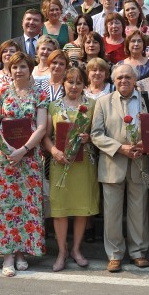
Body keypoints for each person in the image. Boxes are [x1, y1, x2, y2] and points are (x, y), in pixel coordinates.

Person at [0, 52, 48, 277]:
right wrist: (7, 150)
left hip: (29, 158)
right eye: (14, 67)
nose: (18, 70)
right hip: (4, 159)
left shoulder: (40, 94)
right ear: (9, 70)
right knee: (6, 206)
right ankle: (7, 255)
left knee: (26, 205)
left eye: (23, 66)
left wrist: (23, 151)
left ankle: (22, 252)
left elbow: (41, 128)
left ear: (30, 68)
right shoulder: (1, 93)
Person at [91, 64, 149, 273]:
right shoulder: (103, 102)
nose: (123, 81)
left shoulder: (148, 101)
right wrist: (119, 148)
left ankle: (138, 252)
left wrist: (146, 144)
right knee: (112, 213)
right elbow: (96, 134)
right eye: (119, 78)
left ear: (135, 80)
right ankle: (114, 255)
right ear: (113, 81)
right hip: (112, 164)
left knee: (139, 210)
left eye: (128, 77)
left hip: (139, 162)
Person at [43, 67, 98, 272]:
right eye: (70, 82)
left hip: (84, 164)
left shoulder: (92, 105)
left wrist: (89, 137)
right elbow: (47, 136)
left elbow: (99, 133)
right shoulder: (53, 106)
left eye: (78, 82)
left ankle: (76, 249)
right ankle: (61, 251)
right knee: (60, 210)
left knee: (81, 208)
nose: (74, 86)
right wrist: (54, 150)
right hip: (60, 162)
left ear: (84, 85)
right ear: (63, 83)